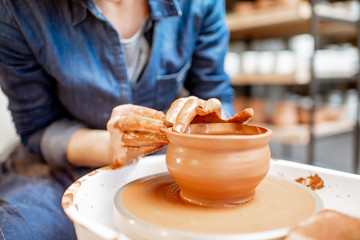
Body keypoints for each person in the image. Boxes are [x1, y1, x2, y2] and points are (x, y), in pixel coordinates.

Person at [0, 0, 234, 239]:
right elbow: (38, 127)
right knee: (19, 231)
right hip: (64, 162)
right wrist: (111, 146)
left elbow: (216, 94)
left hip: (166, 158)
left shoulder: (200, 4)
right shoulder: (19, 9)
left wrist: (209, 120)